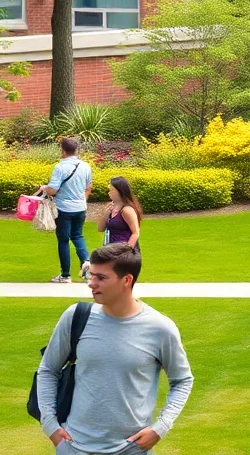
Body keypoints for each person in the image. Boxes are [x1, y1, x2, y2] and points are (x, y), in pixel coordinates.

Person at [36, 244, 193, 454]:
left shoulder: (160, 328)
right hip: (73, 447)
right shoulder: (75, 317)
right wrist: (50, 426)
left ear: (126, 280)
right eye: (90, 275)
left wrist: (161, 427)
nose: (91, 283)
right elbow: (48, 369)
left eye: (101, 278)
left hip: (132, 449)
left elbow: (182, 380)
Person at [38, 137, 93, 283]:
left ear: (63, 151)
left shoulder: (60, 167)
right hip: (80, 207)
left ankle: (65, 275)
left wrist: (45, 188)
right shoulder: (85, 166)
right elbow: (88, 187)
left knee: (63, 240)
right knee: (78, 236)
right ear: (75, 150)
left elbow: (53, 190)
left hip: (63, 208)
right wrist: (83, 201)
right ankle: (86, 261)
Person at [98, 176, 141, 250]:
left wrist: (127, 251)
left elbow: (135, 233)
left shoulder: (127, 210)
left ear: (120, 191)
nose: (109, 192)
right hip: (111, 249)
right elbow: (100, 228)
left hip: (124, 251)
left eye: (111, 190)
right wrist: (106, 214)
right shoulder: (110, 208)